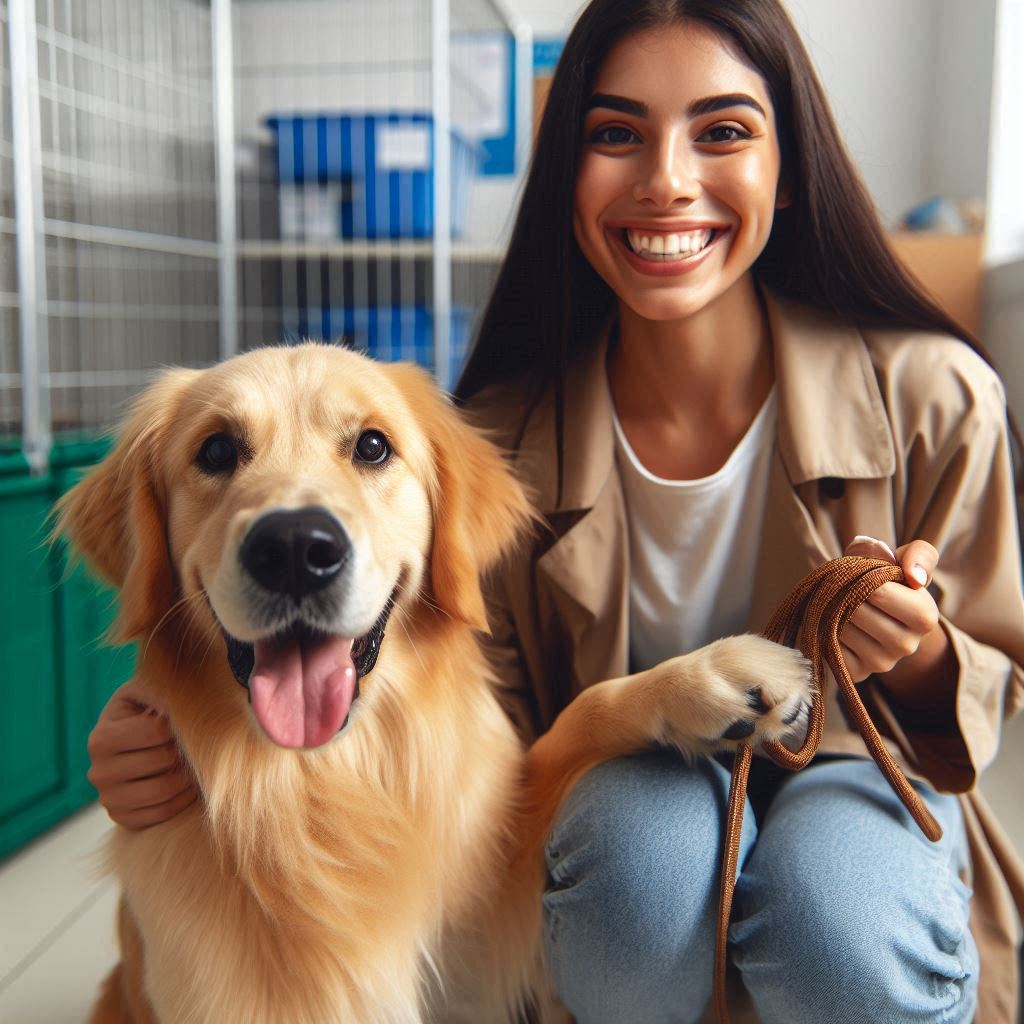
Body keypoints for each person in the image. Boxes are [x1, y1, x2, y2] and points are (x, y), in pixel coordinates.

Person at [86, 1, 1024, 1021]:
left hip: (860, 764)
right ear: (567, 177)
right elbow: (487, 745)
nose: (666, 176)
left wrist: (925, 653)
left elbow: (996, 666)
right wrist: (150, 733)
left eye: (722, 131)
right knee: (630, 879)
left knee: (840, 920)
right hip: (630, 786)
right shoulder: (500, 437)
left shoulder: (938, 395)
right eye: (614, 133)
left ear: (787, 167)